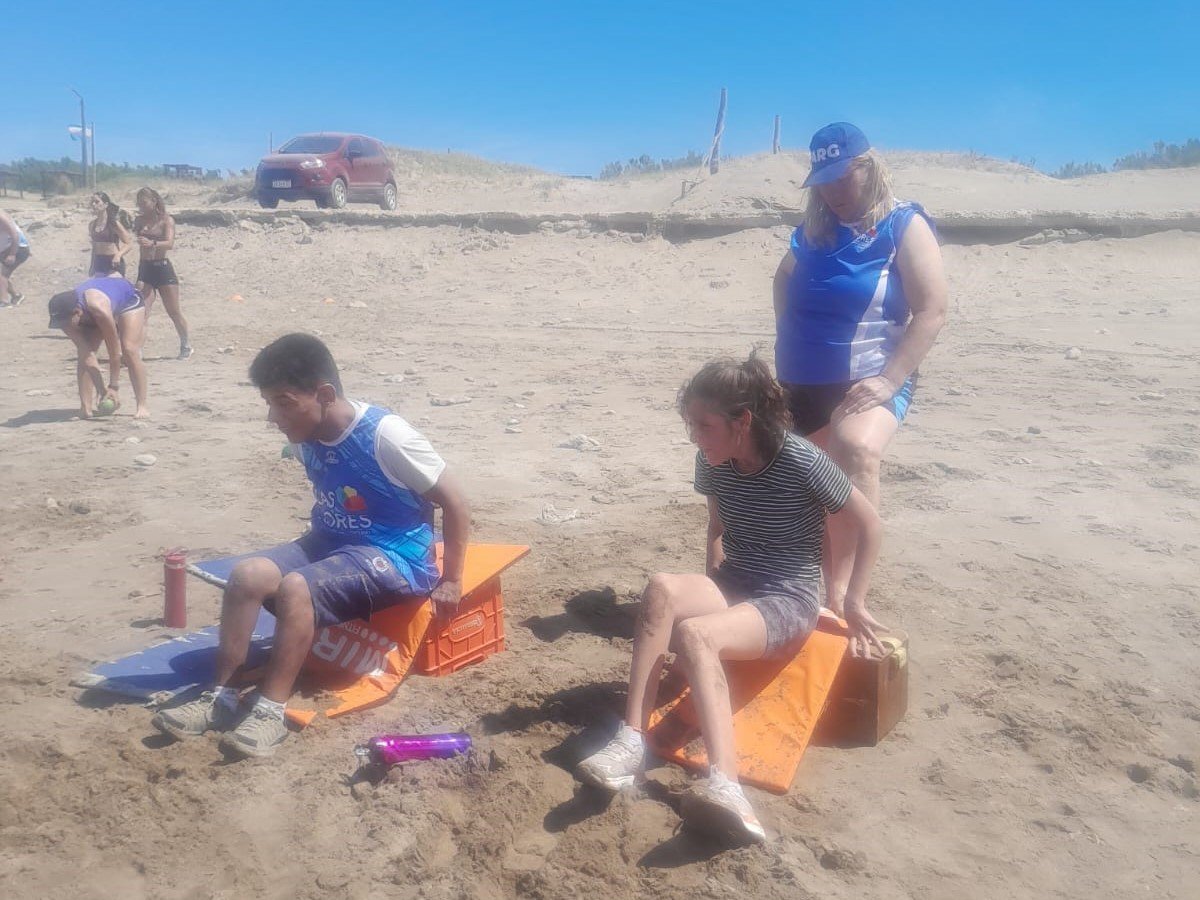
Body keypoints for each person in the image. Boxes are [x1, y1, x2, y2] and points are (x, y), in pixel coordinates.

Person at [575, 355, 884, 843]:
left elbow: (868, 524)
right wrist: (710, 589)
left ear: (743, 422)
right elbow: (716, 529)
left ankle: (727, 785)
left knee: (698, 635)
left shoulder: (802, 460)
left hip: (788, 596)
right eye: (690, 424)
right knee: (661, 589)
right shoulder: (713, 460)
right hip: (736, 580)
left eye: (704, 425)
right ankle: (631, 740)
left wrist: (851, 600)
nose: (694, 437)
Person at [151, 333, 471, 759]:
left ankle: (270, 710)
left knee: (296, 587)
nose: (273, 418)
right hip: (330, 541)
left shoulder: (386, 436)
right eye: (269, 403)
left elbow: (455, 502)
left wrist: (451, 580)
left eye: (283, 403)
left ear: (325, 395)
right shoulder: (305, 438)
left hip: (396, 556)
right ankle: (221, 696)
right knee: (247, 575)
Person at [773, 122, 948, 615]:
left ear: (868, 168)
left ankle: (847, 598)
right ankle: (810, 589)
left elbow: (932, 310)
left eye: (842, 177)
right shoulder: (813, 232)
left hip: (870, 375)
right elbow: (783, 277)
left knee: (855, 450)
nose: (833, 191)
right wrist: (789, 332)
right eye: (823, 181)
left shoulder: (902, 224)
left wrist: (891, 378)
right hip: (801, 379)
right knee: (808, 484)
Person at [48, 277, 150, 419]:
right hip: (92, 310)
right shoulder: (64, 317)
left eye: (65, 321)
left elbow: (114, 352)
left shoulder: (99, 309)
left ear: (77, 312)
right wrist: (102, 390)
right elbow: (87, 355)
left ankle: (142, 406)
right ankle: (85, 408)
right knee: (83, 354)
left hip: (128, 300)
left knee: (129, 349)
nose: (64, 326)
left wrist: (113, 386)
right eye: (60, 322)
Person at [133, 187, 192, 359]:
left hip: (162, 268)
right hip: (145, 268)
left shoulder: (166, 220)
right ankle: (137, 350)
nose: (141, 206)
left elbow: (169, 243)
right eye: (139, 203)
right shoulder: (138, 220)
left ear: (154, 201)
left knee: (173, 311)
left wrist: (152, 243)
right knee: (143, 311)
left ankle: (185, 344)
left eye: (144, 202)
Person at [87, 191, 132, 277]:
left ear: (106, 204)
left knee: (111, 284)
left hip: (113, 262)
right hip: (98, 263)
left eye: (97, 202)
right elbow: (94, 248)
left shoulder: (113, 224)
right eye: (92, 202)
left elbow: (128, 243)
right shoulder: (92, 225)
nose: (93, 204)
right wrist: (91, 266)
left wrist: (118, 255)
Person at [0, 209, 30, 306]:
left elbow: (14, 234)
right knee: (3, 276)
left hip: (17, 249)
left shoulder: (1, 216)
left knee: (3, 276)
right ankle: (16, 296)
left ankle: (4, 301)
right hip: (5, 250)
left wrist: (12, 254)